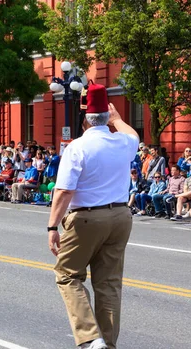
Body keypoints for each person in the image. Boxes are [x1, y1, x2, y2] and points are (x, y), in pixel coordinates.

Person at [47, 83, 139, 349]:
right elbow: (132, 133)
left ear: (85, 119)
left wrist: (52, 226)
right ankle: (107, 344)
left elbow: (64, 190)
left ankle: (89, 336)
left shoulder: (77, 147)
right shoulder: (124, 141)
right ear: (106, 116)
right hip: (121, 216)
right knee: (109, 284)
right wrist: (118, 119)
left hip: (87, 218)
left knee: (67, 275)